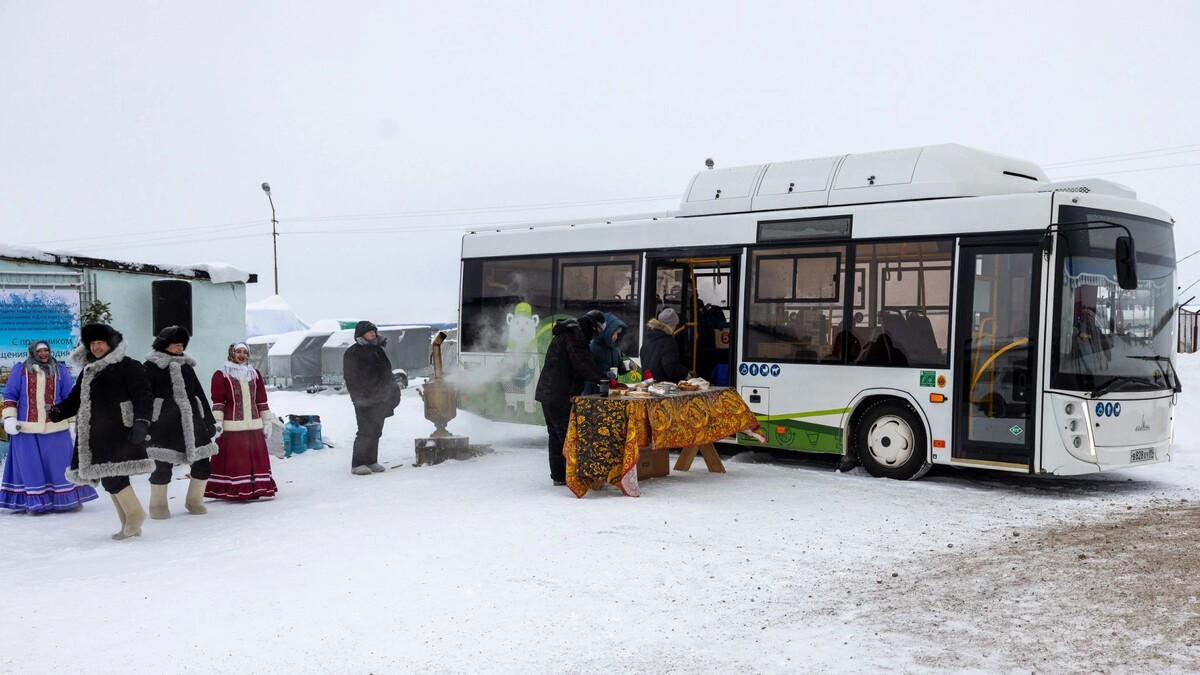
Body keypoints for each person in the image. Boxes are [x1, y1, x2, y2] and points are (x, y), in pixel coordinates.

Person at [49, 323, 155, 540]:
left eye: (100, 342)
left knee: (114, 477)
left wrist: (142, 422)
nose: (96, 347)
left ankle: (135, 516)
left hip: (121, 429)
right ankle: (128, 523)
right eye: (92, 343)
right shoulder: (89, 370)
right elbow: (75, 398)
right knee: (108, 477)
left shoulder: (129, 365)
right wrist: (60, 411)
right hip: (96, 432)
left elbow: (143, 396)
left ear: (110, 343)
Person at [1, 340, 98, 512]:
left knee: (60, 464)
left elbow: (69, 398)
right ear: (32, 353)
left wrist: (72, 423)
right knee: (30, 466)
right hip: (25, 429)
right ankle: (34, 503)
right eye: (40, 351)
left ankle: (67, 500)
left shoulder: (60, 370)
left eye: (46, 350)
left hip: (56, 427)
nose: (44, 354)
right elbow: (10, 394)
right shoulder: (20, 370)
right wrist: (10, 418)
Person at [143, 326, 219, 518]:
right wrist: (145, 422)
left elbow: (198, 393)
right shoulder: (151, 366)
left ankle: (194, 500)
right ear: (164, 344)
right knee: (162, 466)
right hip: (164, 425)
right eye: (176, 344)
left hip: (193, 423)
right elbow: (143, 397)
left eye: (181, 345)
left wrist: (208, 420)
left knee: (203, 463)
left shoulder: (186, 366)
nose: (179, 348)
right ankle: (157, 505)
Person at [533, 309, 607, 486]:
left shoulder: (569, 332)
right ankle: (576, 477)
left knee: (556, 436)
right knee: (569, 436)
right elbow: (582, 363)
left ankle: (559, 476)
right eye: (598, 332)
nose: (596, 336)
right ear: (593, 327)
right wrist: (602, 379)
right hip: (559, 394)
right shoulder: (575, 335)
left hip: (548, 392)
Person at [207, 342, 278, 500]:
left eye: (245, 352)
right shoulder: (222, 374)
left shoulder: (254, 374)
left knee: (255, 458)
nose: (242, 355)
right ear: (231, 353)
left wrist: (267, 421)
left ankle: (255, 489)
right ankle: (233, 489)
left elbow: (261, 400)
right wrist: (217, 422)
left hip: (254, 425)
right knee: (236, 460)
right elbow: (218, 402)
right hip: (232, 428)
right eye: (238, 352)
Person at [343, 321, 402, 475]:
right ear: (361, 334)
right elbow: (350, 378)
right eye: (369, 332)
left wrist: (394, 391)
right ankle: (357, 464)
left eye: (374, 332)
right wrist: (359, 397)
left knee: (376, 430)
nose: (373, 334)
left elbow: (387, 372)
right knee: (365, 431)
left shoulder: (378, 350)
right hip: (363, 400)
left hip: (381, 398)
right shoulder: (353, 352)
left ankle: (371, 461)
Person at [640, 307, 689, 383]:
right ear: (671, 325)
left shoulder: (648, 339)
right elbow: (670, 367)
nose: (675, 327)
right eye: (675, 324)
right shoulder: (669, 342)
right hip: (664, 386)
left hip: (649, 383)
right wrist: (685, 373)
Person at [589, 311, 630, 376]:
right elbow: (589, 372)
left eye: (618, 334)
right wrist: (605, 375)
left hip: (612, 385)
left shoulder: (615, 349)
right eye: (614, 333)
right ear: (607, 332)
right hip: (597, 386)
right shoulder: (592, 348)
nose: (616, 337)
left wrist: (626, 367)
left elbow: (619, 370)